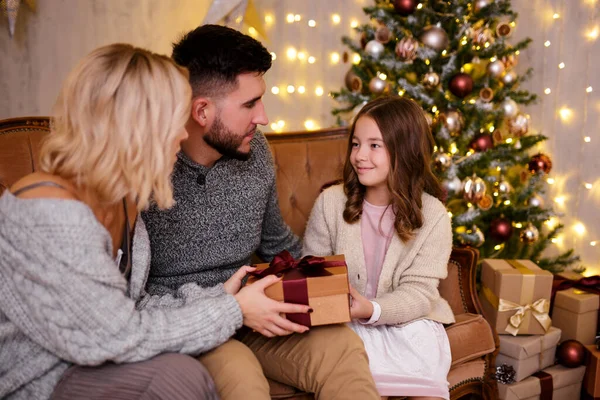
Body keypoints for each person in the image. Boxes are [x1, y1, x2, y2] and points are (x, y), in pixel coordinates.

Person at [0, 43, 311, 400]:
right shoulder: (50, 216)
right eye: (174, 121)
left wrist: (221, 298)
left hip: (94, 364)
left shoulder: (122, 203)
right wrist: (232, 310)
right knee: (176, 377)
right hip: (42, 381)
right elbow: (117, 335)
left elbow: (131, 307)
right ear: (138, 129)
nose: (183, 135)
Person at [141, 25, 379, 400]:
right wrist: (228, 307)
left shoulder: (255, 152)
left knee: (342, 350)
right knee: (241, 377)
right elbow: (132, 301)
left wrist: (326, 280)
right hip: (193, 323)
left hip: (261, 310)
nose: (264, 117)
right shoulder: (144, 169)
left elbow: (276, 244)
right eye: (250, 104)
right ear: (201, 110)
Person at [303, 96, 456, 400]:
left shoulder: (434, 215)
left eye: (375, 145)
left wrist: (373, 309)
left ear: (404, 150)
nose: (359, 156)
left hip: (410, 325)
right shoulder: (331, 203)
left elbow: (420, 293)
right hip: (347, 327)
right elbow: (312, 269)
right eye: (356, 144)